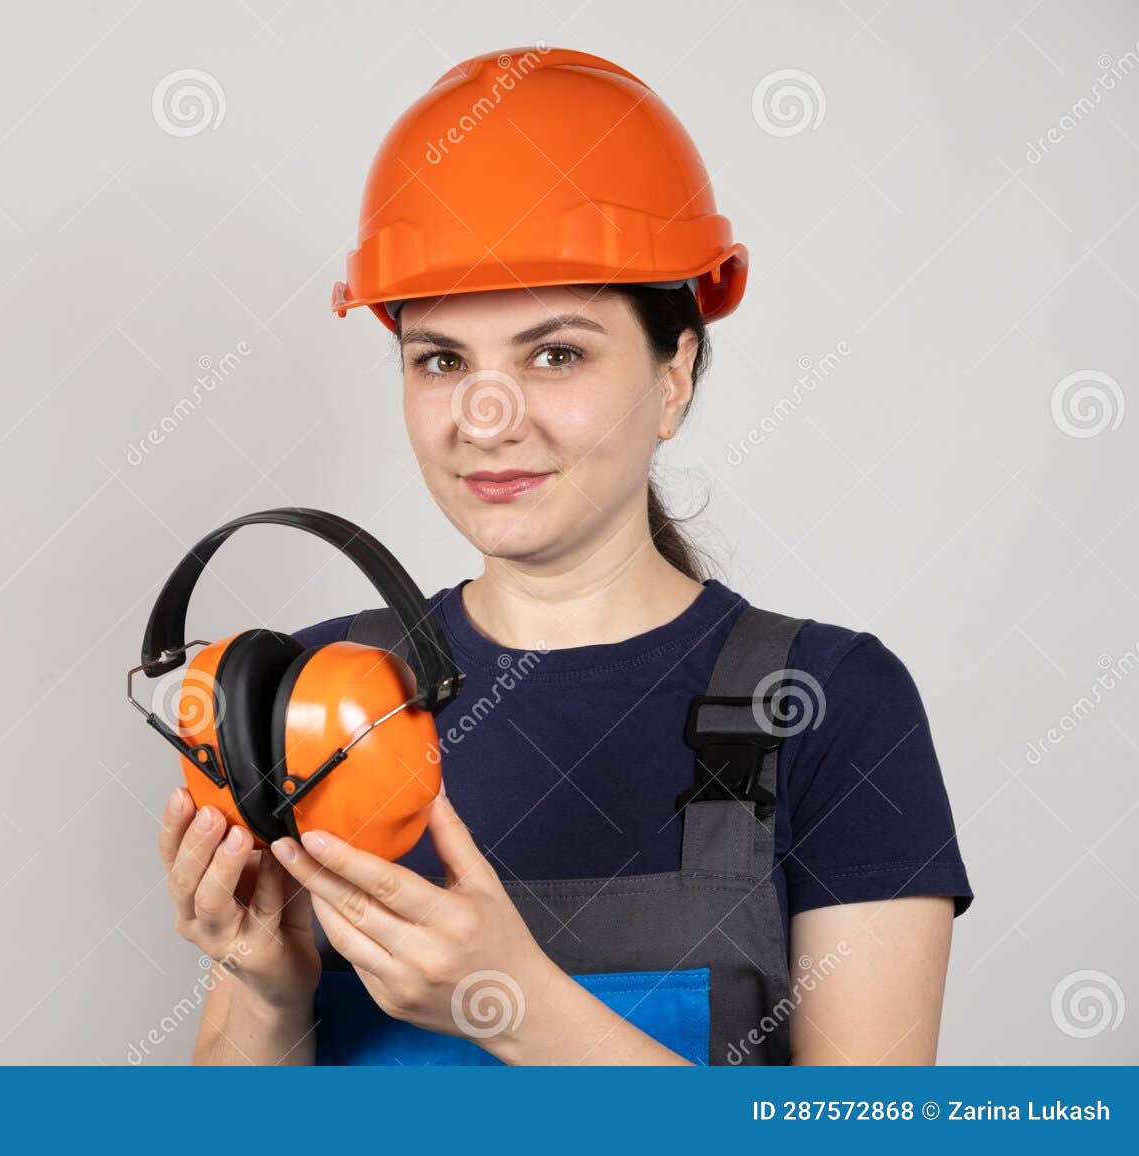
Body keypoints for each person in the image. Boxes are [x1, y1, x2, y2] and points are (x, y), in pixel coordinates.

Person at [157, 46, 972, 1065]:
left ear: (673, 375)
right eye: (441, 360)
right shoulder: (313, 695)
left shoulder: (829, 702)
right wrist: (267, 998)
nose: (485, 418)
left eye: (557, 354)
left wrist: (513, 1001)